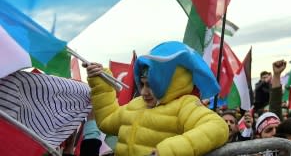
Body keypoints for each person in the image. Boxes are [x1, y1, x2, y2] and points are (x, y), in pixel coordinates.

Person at [86, 41, 228, 156]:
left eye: (151, 85)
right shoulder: (135, 104)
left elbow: (218, 127)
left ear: (171, 83)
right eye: (141, 84)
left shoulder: (185, 105)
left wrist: (168, 151)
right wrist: (101, 82)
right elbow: (106, 121)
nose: (144, 92)